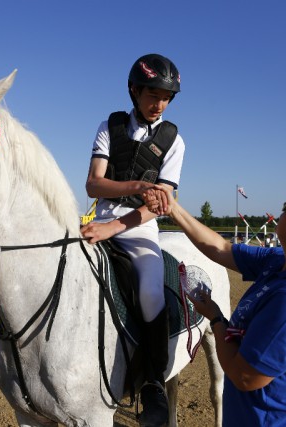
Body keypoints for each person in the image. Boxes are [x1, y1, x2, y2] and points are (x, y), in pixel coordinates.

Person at [143, 182, 286, 426]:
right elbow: (221, 248)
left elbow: (243, 376)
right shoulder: (280, 261)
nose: (282, 209)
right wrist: (173, 209)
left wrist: (216, 318)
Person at [80, 53, 184, 426]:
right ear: (134, 90)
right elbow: (94, 183)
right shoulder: (109, 126)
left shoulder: (174, 140)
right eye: (153, 95)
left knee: (151, 292)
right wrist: (138, 185)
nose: (160, 104)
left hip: (139, 228)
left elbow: (160, 205)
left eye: (166, 98)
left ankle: (153, 381)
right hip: (99, 218)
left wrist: (115, 227)